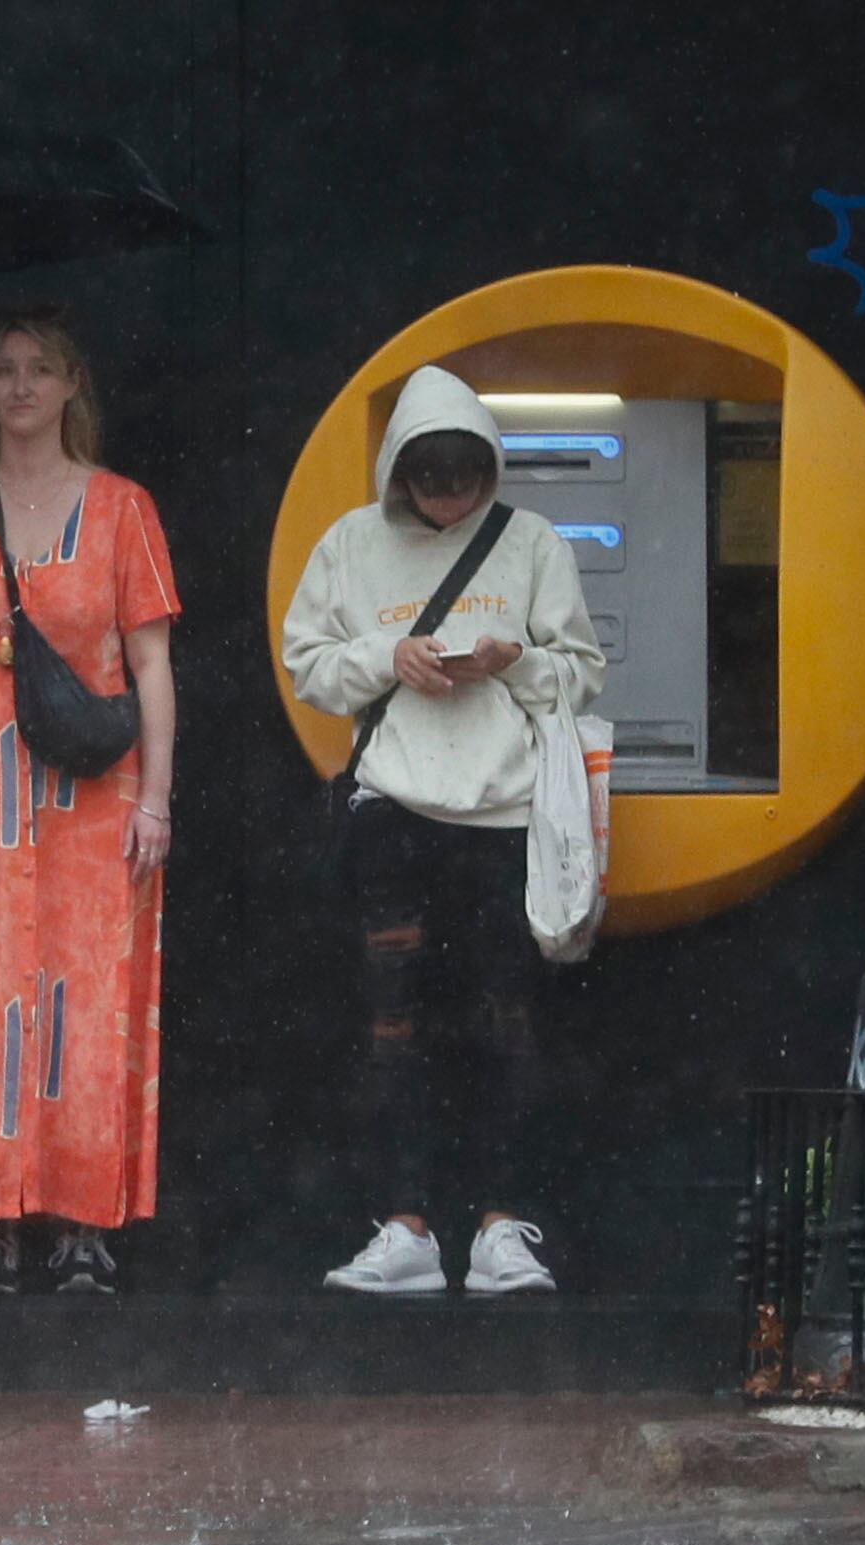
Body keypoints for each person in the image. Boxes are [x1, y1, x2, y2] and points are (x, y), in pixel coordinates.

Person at [283, 365, 606, 1297]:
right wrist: (391, 657)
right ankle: (407, 1221)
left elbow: (582, 671)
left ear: (491, 470)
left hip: (505, 814)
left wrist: (512, 663)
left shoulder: (531, 542)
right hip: (392, 810)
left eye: (467, 477)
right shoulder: (350, 543)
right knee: (394, 1029)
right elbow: (306, 664)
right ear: (398, 474)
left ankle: (502, 1224)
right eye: (431, 479)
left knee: (510, 1024)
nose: (451, 496)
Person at [0, 308, 181, 1296]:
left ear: (69, 386)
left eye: (38, 370)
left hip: (92, 791)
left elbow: (151, 663)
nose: (17, 387)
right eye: (1, 369)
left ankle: (80, 1221)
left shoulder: (122, 505)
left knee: (83, 1001)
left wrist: (158, 801)